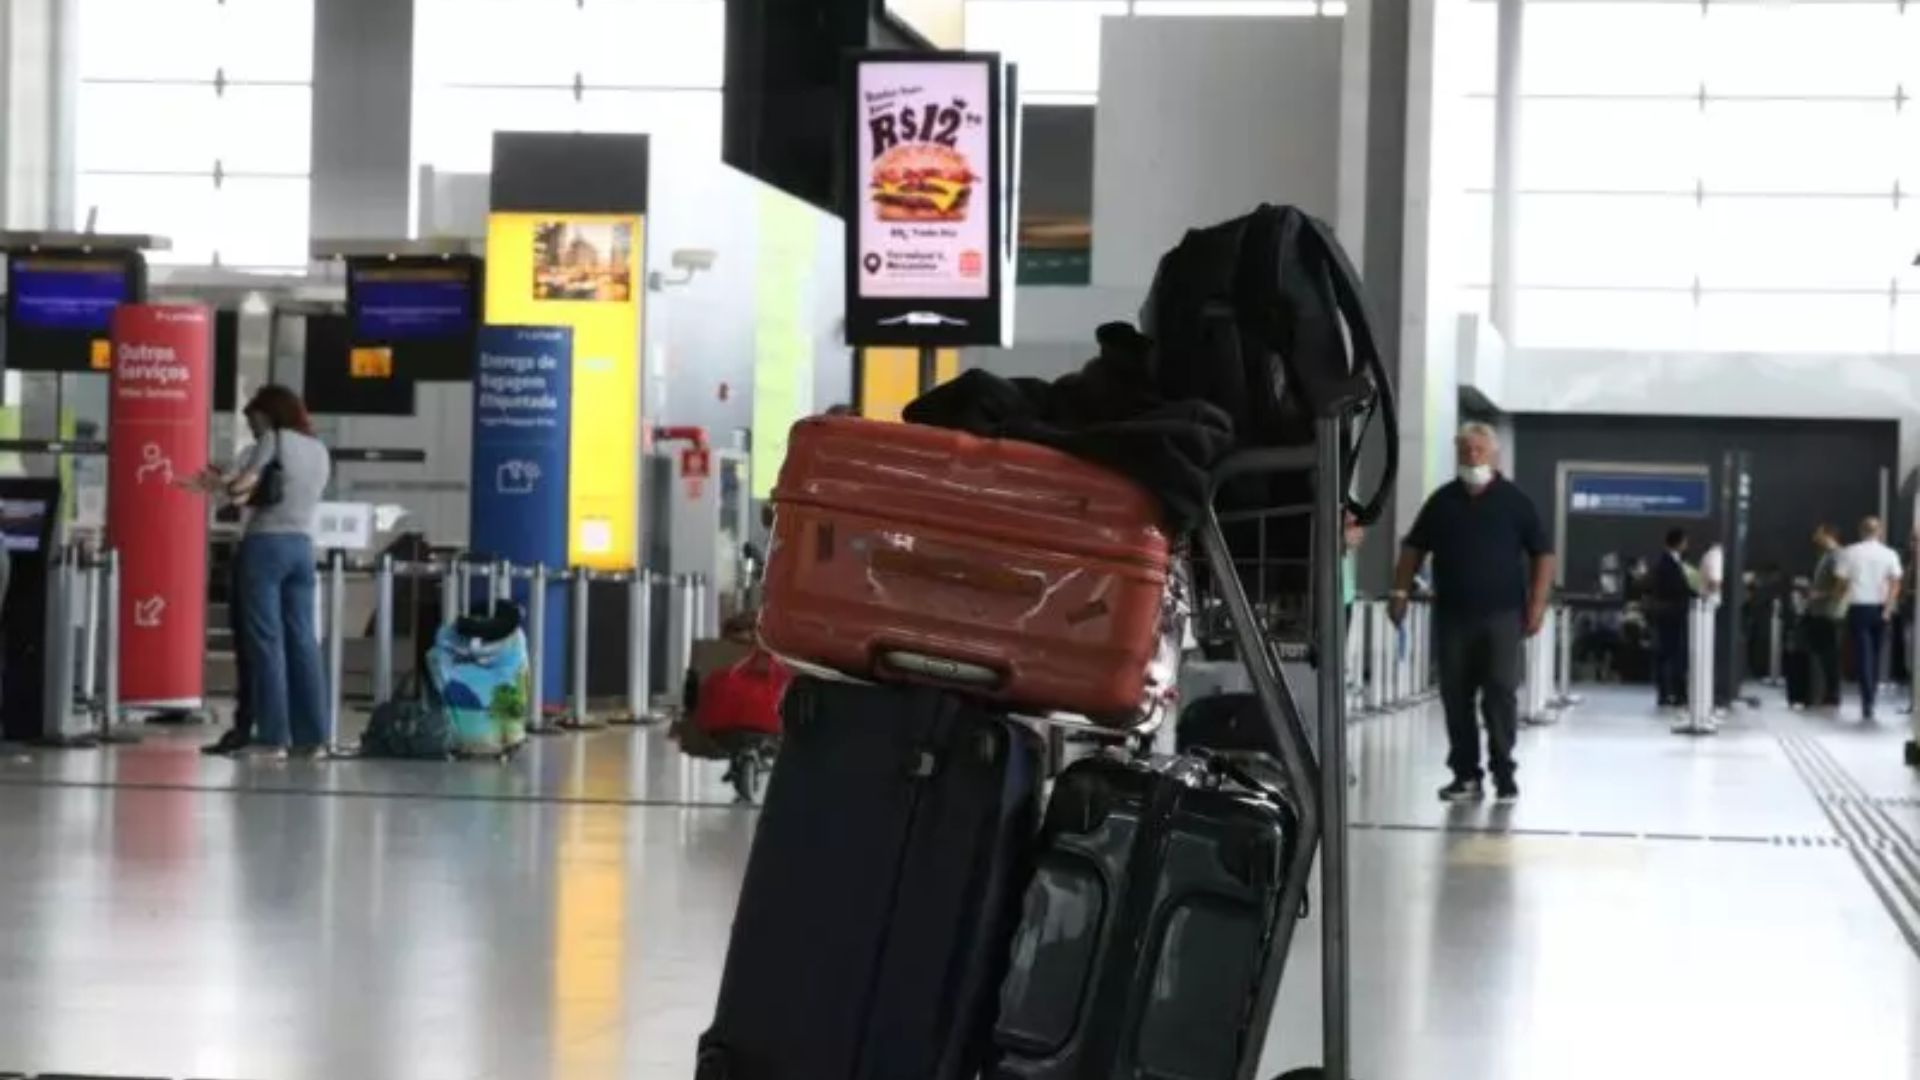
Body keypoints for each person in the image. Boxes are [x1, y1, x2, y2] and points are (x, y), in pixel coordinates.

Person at [1391, 422, 1554, 804]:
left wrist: (1536, 603)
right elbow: (1413, 548)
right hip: (1452, 617)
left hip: (1502, 617)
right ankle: (1466, 776)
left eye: (1479, 450)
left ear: (1493, 454)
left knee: (1500, 693)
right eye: (1465, 450)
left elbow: (1543, 553)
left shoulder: (1515, 502)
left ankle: (1504, 773)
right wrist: (1399, 591)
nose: (1472, 456)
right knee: (1456, 696)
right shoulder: (1442, 501)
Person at [183, 386, 333, 759]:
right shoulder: (318, 450)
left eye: (254, 421)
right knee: (302, 642)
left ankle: (272, 737)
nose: (252, 430)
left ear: (269, 415)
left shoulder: (273, 439)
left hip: (265, 545)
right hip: (302, 547)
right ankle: (313, 736)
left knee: (266, 643)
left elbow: (243, 490)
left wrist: (218, 485)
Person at [1835, 516, 1902, 722]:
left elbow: (1842, 581)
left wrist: (1838, 598)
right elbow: (1895, 582)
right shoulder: (1889, 554)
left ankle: (1868, 702)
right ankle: (1870, 695)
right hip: (1881, 607)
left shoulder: (1850, 552)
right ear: (1879, 532)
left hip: (1858, 607)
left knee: (1863, 655)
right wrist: (1889, 607)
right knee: (1876, 652)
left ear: (1860, 531)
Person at [1650, 528, 1695, 711]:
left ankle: (1674, 693)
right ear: (1679, 543)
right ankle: (1671, 693)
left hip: (1675, 614)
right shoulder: (1666, 563)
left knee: (1673, 654)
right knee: (1670, 654)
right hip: (1671, 614)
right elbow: (1674, 588)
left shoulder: (1675, 562)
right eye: (1685, 542)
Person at [1806, 524, 1847, 711]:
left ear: (1828, 535)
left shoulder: (1837, 555)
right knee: (1823, 653)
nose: (1815, 537)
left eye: (1818, 534)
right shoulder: (1825, 555)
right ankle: (1826, 692)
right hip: (1819, 611)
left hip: (1828, 612)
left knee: (1830, 654)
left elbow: (1842, 582)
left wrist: (1823, 596)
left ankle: (1833, 693)